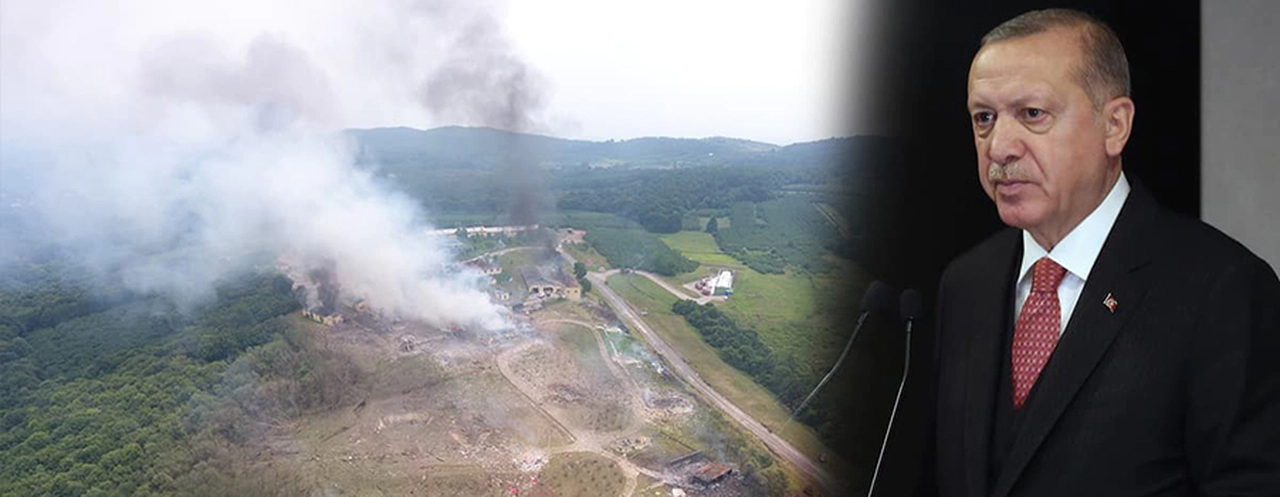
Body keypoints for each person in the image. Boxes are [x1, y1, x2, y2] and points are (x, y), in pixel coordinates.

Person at [931, 8, 1280, 496]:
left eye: (1032, 114)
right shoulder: (965, 283)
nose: (1000, 147)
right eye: (984, 118)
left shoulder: (1224, 290)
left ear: (1115, 125)